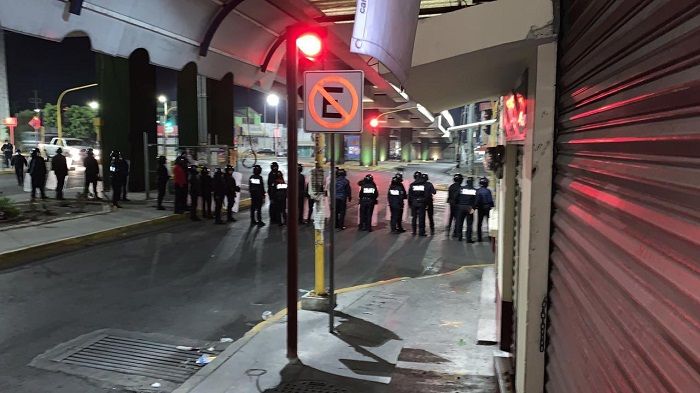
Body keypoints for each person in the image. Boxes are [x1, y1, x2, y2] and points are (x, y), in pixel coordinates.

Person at [453, 176, 478, 242]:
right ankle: (468, 239)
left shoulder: (461, 189)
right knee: (469, 224)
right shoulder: (474, 190)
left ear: (466, 182)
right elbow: (476, 201)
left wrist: (458, 205)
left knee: (460, 222)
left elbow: (455, 197)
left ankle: (459, 237)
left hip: (461, 207)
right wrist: (474, 208)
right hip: (469, 208)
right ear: (472, 182)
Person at [408, 171, 428, 236]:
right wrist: (426, 203)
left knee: (414, 217)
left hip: (414, 203)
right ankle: (421, 232)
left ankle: (414, 231)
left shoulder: (412, 185)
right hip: (422, 203)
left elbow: (409, 195)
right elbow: (426, 195)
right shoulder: (424, 185)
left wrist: (410, 204)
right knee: (421, 218)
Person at [476, 177, 495, 242]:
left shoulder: (478, 190)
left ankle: (479, 238)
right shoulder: (488, 191)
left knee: (479, 223)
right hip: (487, 208)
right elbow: (490, 200)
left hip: (480, 208)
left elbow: (477, 200)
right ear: (486, 184)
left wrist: (476, 206)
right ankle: (490, 237)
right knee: (489, 222)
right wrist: (492, 206)